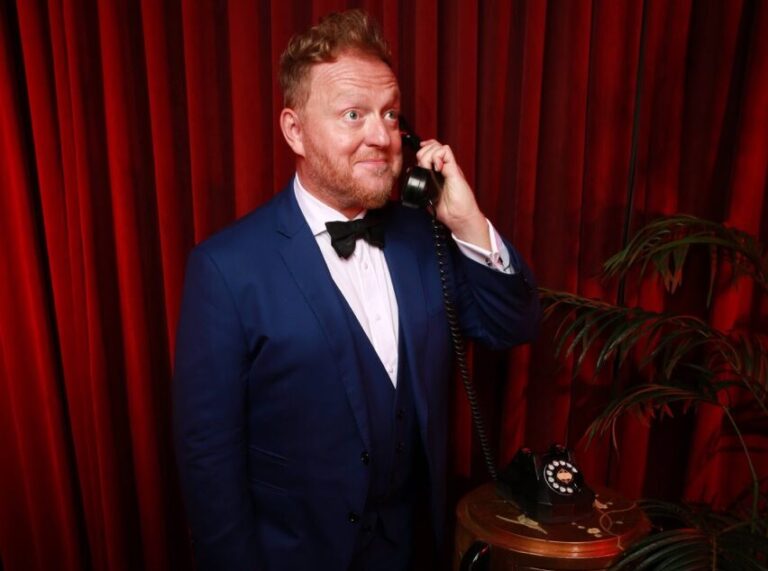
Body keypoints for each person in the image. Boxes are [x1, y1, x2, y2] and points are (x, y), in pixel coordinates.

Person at [173, 9, 539, 571]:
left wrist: (466, 221)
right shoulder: (225, 269)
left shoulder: (426, 239)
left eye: (390, 114)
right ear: (295, 130)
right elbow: (209, 460)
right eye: (353, 114)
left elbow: (512, 324)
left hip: (417, 551)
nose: (382, 137)